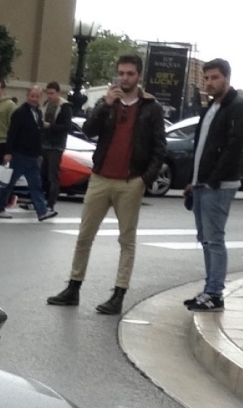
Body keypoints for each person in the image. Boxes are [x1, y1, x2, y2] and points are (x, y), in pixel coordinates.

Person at [51, 54, 165, 312]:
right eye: (121, 73)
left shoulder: (151, 108)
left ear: (139, 76)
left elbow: (160, 148)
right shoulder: (109, 103)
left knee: (126, 241)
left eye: (130, 74)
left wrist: (144, 180)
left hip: (130, 182)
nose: (125, 78)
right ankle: (73, 288)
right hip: (101, 178)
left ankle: (118, 294)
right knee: (84, 236)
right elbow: (89, 130)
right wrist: (104, 104)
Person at [180, 58, 243, 311]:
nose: (210, 83)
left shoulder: (237, 107)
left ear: (227, 78)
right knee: (206, 239)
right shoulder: (211, 107)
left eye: (215, 78)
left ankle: (215, 293)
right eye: (207, 78)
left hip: (218, 185)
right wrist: (193, 180)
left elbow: (233, 148)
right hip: (202, 183)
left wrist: (212, 180)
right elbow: (201, 148)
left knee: (214, 239)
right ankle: (209, 289)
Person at [0, 85, 55, 221]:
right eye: (32, 96)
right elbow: (12, 133)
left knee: (36, 185)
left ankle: (42, 211)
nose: (34, 99)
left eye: (37, 96)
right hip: (20, 154)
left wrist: (39, 153)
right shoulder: (20, 112)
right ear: (27, 96)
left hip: (33, 155)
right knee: (8, 183)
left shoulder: (38, 113)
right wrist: (8, 152)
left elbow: (38, 134)